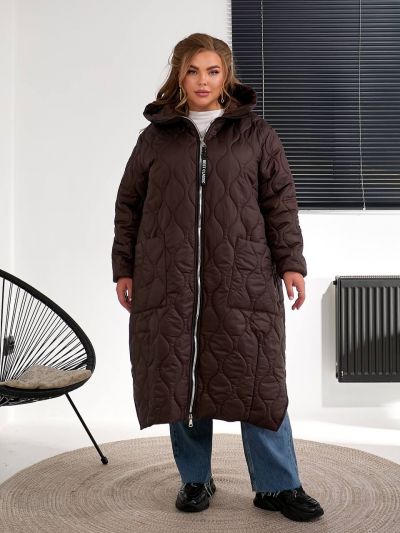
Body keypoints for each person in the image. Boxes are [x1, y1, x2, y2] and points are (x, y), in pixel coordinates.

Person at [112, 33, 324, 522]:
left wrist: (291, 262)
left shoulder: (258, 135)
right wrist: (124, 267)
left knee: (259, 381)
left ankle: (277, 486)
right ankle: (195, 479)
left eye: (212, 71)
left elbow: (280, 203)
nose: (203, 81)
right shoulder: (155, 138)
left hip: (243, 278)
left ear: (226, 75)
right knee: (181, 377)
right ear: (179, 76)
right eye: (193, 71)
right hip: (169, 278)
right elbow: (129, 206)